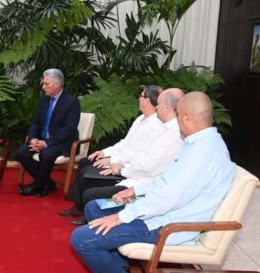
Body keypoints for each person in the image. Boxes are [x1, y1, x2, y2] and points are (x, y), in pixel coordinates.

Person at [70, 91, 236, 273]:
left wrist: (123, 216)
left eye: (178, 117)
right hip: (158, 212)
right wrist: (136, 191)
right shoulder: (198, 144)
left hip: (166, 225)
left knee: (82, 239)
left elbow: (170, 198)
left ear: (186, 118)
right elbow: (166, 181)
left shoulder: (203, 152)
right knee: (96, 207)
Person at [68, 88, 185, 225]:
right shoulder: (146, 121)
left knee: (90, 188)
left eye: (158, 103)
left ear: (167, 106)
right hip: (132, 171)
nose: (156, 106)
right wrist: (106, 153)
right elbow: (127, 145)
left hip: (139, 179)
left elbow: (146, 163)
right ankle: (80, 208)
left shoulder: (168, 131)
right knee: (86, 164)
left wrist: (117, 166)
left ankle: (87, 215)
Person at [16, 68, 81, 197]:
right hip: (41, 140)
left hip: (62, 142)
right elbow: (36, 122)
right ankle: (47, 183)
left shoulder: (71, 102)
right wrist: (33, 138)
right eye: (43, 83)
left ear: (57, 84)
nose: (43, 87)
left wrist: (46, 143)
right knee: (21, 153)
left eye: (46, 84)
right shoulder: (43, 100)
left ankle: (38, 185)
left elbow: (69, 129)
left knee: (46, 154)